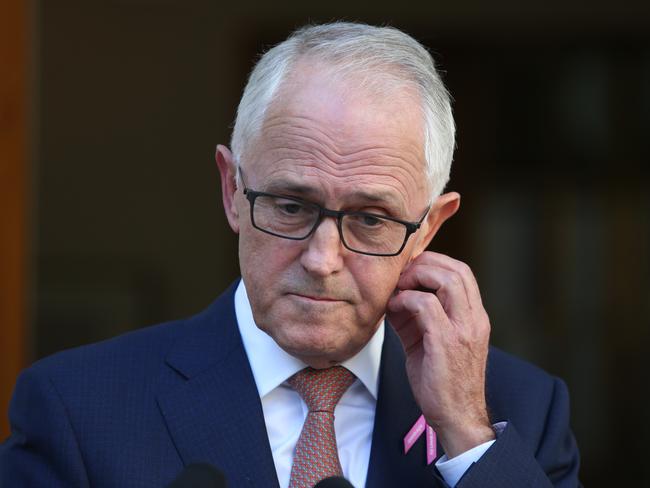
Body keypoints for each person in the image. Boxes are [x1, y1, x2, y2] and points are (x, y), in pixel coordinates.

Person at [0, 22, 580, 487]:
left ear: (428, 227)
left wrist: (467, 437)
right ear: (231, 189)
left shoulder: (519, 411)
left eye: (371, 219)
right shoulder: (80, 410)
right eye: (290, 207)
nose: (322, 259)